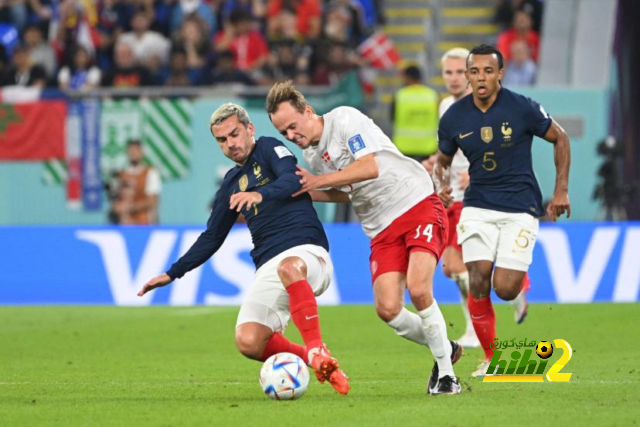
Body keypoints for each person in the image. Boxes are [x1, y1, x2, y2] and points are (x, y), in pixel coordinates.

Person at [138, 104, 350, 395]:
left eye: (234, 134)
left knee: (289, 266)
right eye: (222, 140)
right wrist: (172, 273)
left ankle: (316, 346)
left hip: (306, 252)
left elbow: (292, 179)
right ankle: (317, 360)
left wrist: (258, 194)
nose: (230, 144)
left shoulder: (269, 148)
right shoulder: (230, 186)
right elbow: (212, 237)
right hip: (268, 265)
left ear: (250, 129)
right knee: (249, 340)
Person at [266, 81, 462, 395]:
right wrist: (305, 193)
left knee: (419, 288)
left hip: (416, 203)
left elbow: (369, 167)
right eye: (283, 133)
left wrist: (320, 179)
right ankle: (445, 347)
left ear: (308, 111)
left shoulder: (344, 119)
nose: (291, 135)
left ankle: (447, 376)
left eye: (292, 125)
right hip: (380, 227)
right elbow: (347, 192)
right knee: (388, 310)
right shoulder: (313, 156)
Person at [435, 44, 571, 377]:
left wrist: (561, 190)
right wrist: (442, 187)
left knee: (504, 287)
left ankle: (518, 285)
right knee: (477, 279)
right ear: (469, 76)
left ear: (500, 74)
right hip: (477, 206)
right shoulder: (453, 116)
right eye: (475, 71)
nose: (481, 77)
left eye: (488, 71)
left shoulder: (522, 108)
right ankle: (491, 357)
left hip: (520, 207)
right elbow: (443, 160)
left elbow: (561, 138)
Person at [390, 65, 439, 161]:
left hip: (404, 147)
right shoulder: (433, 95)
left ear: (407, 77)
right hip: (428, 148)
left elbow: (392, 117)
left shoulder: (399, 95)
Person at [110, 140, 161, 224]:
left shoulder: (150, 172)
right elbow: (114, 201)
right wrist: (120, 209)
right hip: (124, 223)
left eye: (136, 150)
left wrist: (132, 207)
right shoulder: (120, 174)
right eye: (131, 150)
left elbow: (153, 201)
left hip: (144, 223)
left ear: (142, 153)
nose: (133, 153)